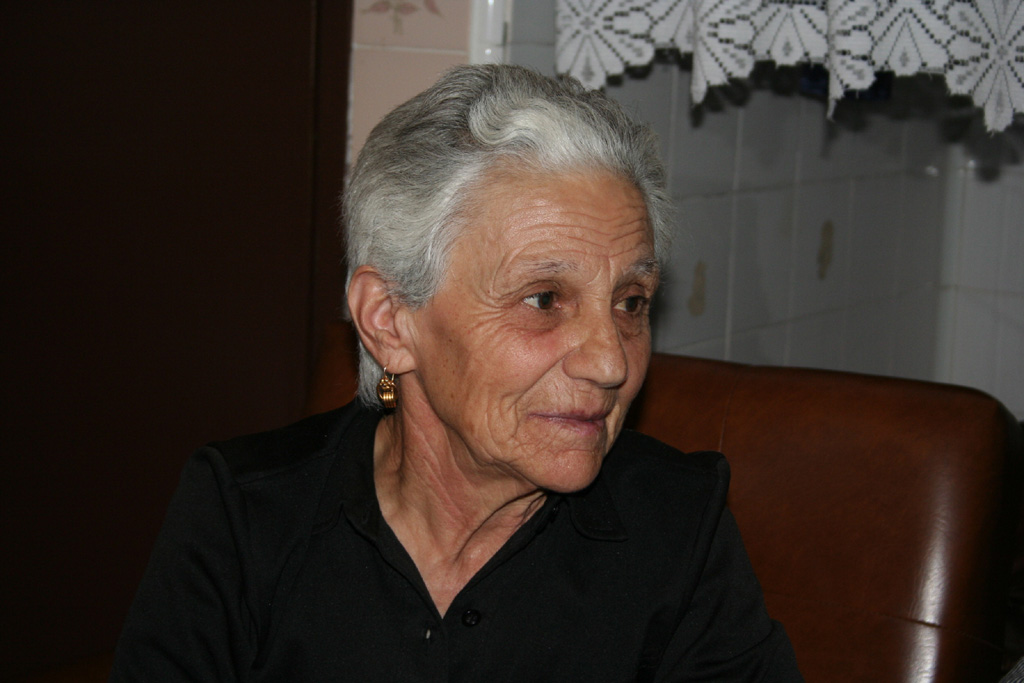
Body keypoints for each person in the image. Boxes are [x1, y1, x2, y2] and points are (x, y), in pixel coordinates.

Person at [111, 64, 802, 681]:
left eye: (630, 303)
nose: (611, 361)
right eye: (543, 299)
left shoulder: (678, 530)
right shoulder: (243, 517)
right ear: (390, 320)